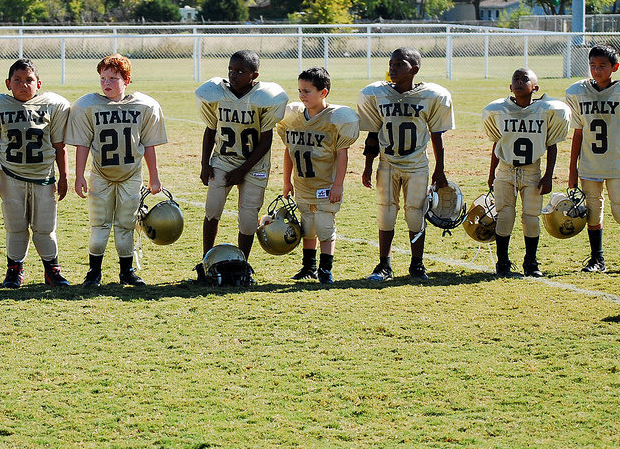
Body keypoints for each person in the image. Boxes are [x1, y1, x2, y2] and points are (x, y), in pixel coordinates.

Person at [67, 54, 167, 287]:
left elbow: (149, 145)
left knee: (126, 225)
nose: (106, 83)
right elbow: (82, 144)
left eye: (113, 77)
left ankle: (127, 271)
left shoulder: (144, 105)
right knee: (99, 225)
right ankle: (94, 272)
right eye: (103, 78)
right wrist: (79, 174)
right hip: (100, 174)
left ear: (127, 79)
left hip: (131, 174)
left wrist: (154, 176)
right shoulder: (88, 105)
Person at [0, 58, 71, 288]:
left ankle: (52, 270)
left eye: (29, 80)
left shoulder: (53, 105)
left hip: (44, 177)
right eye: (17, 80)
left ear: (39, 83)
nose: (23, 85)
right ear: (8, 83)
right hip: (11, 175)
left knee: (45, 228)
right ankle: (14, 270)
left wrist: (65, 176)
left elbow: (59, 146)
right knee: (15, 226)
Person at [358, 47, 454, 281]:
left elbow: (437, 135)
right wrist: (368, 166)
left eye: (400, 64)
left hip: (417, 165)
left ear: (414, 69)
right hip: (387, 163)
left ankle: (417, 264)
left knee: (415, 215)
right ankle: (384, 265)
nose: (393, 67)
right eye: (391, 63)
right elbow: (373, 133)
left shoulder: (431, 95)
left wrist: (440, 168)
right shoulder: (376, 94)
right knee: (386, 213)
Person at [195, 50, 288, 277]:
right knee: (212, 209)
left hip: (253, 165)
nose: (233, 75)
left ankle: (242, 265)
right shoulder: (216, 94)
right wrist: (204, 164)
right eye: (231, 70)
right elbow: (210, 130)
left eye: (240, 71)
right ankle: (207, 261)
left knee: (247, 220)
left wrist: (242, 170)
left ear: (254, 75)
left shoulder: (264, 98)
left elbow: (266, 142)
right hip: (223, 160)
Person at [565, 44, 620, 275]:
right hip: (590, 164)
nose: (597, 70)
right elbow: (578, 133)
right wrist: (572, 169)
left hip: (617, 163)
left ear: (615, 67)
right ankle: (597, 259)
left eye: (602, 66)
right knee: (593, 210)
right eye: (593, 65)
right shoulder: (578, 92)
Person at [482, 68, 571, 277]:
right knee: (505, 215)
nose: (520, 82)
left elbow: (552, 145)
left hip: (532, 171)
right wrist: (491, 172)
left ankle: (531, 262)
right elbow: (497, 143)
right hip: (505, 170)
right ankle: (502, 262)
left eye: (525, 79)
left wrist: (549, 175)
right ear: (510, 87)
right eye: (516, 79)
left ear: (535, 87)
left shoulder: (548, 110)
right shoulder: (498, 110)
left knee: (531, 217)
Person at [276, 67, 360, 284]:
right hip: (303, 183)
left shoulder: (335, 118)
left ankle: (325, 269)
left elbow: (342, 154)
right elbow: (289, 151)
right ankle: (309, 266)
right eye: (300, 90)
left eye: (307, 91)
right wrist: (286, 181)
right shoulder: (293, 117)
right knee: (308, 225)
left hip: (325, 183)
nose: (302, 95)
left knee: (324, 224)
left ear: (323, 93)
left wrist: (338, 185)